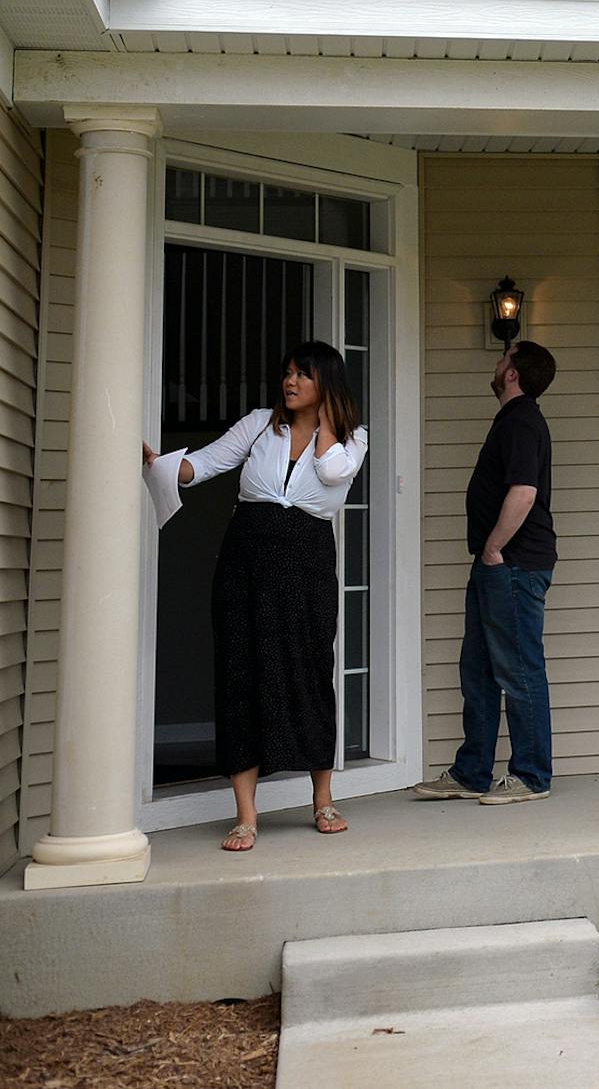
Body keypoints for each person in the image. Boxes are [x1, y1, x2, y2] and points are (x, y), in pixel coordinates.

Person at [143, 341, 369, 852]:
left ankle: (322, 799)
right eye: (287, 373)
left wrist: (327, 422)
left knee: (308, 671)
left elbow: (333, 473)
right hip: (246, 557)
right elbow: (200, 467)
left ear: (326, 385)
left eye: (303, 376)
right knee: (241, 671)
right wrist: (159, 464)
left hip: (306, 562)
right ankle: (246, 815)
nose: (290, 382)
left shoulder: (354, 441)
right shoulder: (260, 424)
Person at [413, 339, 558, 806]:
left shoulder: (521, 422)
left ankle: (531, 776)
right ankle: (471, 772)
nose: (497, 365)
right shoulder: (514, 421)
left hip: (512, 565)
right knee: (477, 671)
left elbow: (524, 491)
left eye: (503, 359)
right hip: (496, 565)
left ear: (513, 374)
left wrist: (495, 548)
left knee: (519, 670)